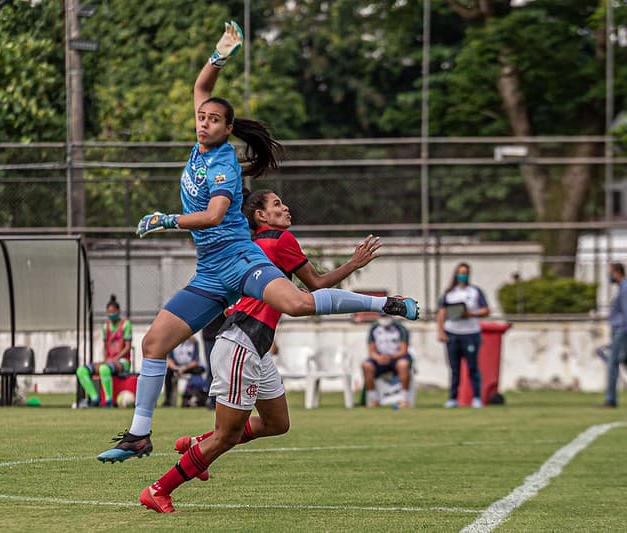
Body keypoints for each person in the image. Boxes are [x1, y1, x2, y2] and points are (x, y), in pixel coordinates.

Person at [98, 20, 418, 465]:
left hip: (239, 260)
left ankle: (385, 304)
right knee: (153, 344)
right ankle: (138, 434)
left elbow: (212, 216)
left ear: (228, 129)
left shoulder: (224, 163)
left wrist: (166, 218)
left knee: (299, 304)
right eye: (201, 117)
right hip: (211, 272)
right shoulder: (200, 144)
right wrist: (221, 53)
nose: (204, 123)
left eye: (213, 120)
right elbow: (202, 84)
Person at [139, 185, 397, 512]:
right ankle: (160, 489)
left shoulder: (246, 246)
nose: (286, 208)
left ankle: (196, 445)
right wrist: (354, 264)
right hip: (241, 344)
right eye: (277, 204)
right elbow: (315, 286)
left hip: (252, 345)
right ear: (261, 216)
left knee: (277, 423)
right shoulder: (280, 240)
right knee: (227, 436)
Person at [437, 262, 490, 408]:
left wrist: (471, 313)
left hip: (470, 333)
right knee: (455, 368)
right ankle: (453, 398)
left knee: (473, 367)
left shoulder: (474, 291)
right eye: (460, 272)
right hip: (453, 333)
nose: (462, 275)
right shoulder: (449, 293)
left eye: (465, 272)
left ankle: (477, 398)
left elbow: (486, 310)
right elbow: (442, 313)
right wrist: (441, 331)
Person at [75, 295, 132, 408]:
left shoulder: (125, 324)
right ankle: (95, 399)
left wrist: (115, 359)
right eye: (109, 312)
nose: (111, 314)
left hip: (123, 361)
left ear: (118, 311)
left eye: (113, 312)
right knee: (81, 370)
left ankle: (108, 401)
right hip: (109, 361)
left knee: (104, 368)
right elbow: (106, 346)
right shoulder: (105, 326)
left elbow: (127, 347)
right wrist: (106, 359)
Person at [362, 314, 413, 408]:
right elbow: (371, 351)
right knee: (366, 365)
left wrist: (391, 357)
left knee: (404, 364)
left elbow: (403, 350)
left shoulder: (400, 328)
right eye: (382, 316)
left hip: (396, 358)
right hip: (379, 360)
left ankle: (404, 399)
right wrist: (379, 358)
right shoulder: (374, 328)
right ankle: (374, 399)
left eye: (386, 316)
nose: (384, 319)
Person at [602, 262, 627, 407]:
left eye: (610, 272)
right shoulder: (622, 288)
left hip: (621, 331)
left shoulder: (624, 289)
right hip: (620, 330)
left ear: (617, 273)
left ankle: (610, 399)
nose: (609, 276)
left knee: (612, 363)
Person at [163, 336, 206, 407]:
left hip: (189, 367)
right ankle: (167, 401)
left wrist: (184, 368)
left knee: (199, 370)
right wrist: (176, 368)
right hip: (176, 367)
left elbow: (195, 361)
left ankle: (196, 396)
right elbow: (169, 360)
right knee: (168, 373)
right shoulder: (172, 342)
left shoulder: (194, 342)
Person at [200, 313, 226, 409]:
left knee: (221, 370)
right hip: (210, 336)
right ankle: (212, 400)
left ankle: (221, 401)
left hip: (222, 335)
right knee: (212, 370)